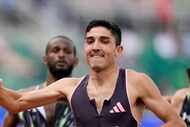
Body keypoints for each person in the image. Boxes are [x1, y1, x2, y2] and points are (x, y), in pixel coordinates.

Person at [0, 19, 186, 127]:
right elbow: (16, 103)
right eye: (90, 41)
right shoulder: (70, 87)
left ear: (118, 50)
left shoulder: (135, 82)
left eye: (104, 41)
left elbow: (177, 123)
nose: (95, 46)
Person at [2, 35, 78, 127]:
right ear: (45, 59)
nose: (61, 55)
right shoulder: (24, 96)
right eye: (55, 50)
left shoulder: (82, 99)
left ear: (76, 61)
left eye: (67, 51)